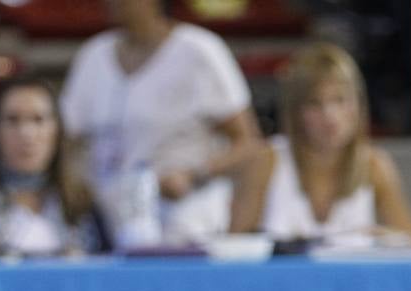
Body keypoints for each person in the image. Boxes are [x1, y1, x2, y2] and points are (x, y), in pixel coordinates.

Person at [58, 0, 263, 245]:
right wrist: (74, 183)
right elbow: (65, 140)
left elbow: (249, 143)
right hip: (107, 221)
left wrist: (193, 174)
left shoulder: (199, 50)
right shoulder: (93, 54)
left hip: (182, 216)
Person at [228, 42, 411, 247]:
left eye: (340, 100)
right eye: (315, 103)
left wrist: (387, 239)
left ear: (359, 105)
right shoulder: (267, 161)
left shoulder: (375, 166)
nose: (330, 116)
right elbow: (233, 251)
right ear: (295, 112)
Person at [0, 72, 109, 257]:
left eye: (38, 120)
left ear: (58, 131)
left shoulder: (81, 199)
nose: (26, 133)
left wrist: (0, 248)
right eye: (13, 120)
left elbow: (108, 265)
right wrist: (63, 254)